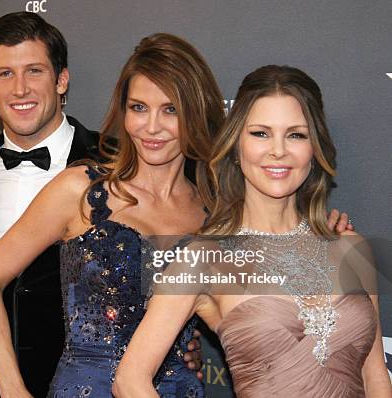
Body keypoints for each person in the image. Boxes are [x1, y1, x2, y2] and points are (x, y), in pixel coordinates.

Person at [0, 13, 202, 398]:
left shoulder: (204, 200)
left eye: (34, 70)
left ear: (61, 79)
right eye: (138, 108)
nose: (152, 127)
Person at [113, 65, 392, 397]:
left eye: (296, 134)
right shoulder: (203, 259)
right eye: (260, 133)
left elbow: (375, 377)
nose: (278, 150)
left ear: (314, 149)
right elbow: (129, 381)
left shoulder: (351, 248)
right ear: (236, 145)